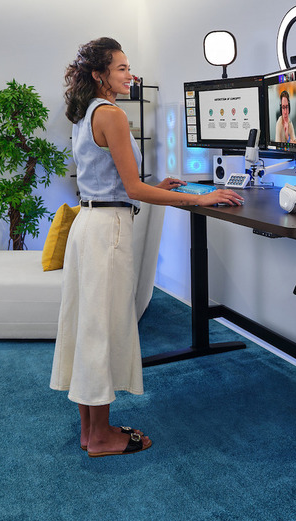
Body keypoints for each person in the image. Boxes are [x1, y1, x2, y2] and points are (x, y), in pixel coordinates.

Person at [50, 37, 243, 457]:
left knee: (88, 328)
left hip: (89, 224)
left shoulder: (84, 113)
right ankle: (100, 438)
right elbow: (132, 187)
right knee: (101, 329)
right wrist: (199, 198)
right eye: (121, 68)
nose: (129, 74)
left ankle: (91, 429)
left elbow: (113, 182)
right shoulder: (113, 115)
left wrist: (157, 186)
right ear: (100, 75)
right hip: (107, 232)